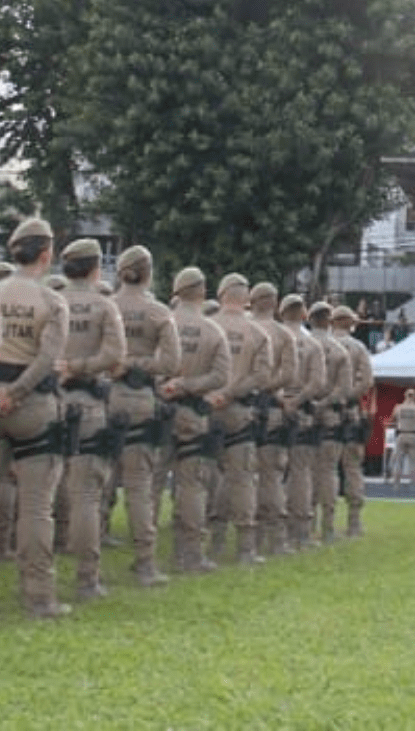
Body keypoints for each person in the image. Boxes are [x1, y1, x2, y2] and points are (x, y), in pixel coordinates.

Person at [0, 218, 70, 620]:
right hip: (34, 408)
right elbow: (47, 360)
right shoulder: (52, 302)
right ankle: (39, 597)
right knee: (38, 508)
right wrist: (17, 392)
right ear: (46, 254)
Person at [54, 238, 126, 600]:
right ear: (97, 268)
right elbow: (116, 356)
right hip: (88, 402)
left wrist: (61, 368)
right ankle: (86, 579)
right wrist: (81, 366)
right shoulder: (103, 306)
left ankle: (35, 579)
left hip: (49, 399)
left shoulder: (52, 299)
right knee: (85, 494)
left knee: (38, 496)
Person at [109, 246, 178, 584]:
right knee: (138, 485)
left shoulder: (105, 305)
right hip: (138, 399)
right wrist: (140, 363)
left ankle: (86, 570)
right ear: (149, 272)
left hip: (103, 398)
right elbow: (171, 363)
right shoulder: (157, 312)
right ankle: (145, 563)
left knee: (92, 486)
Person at [158, 267, 231, 573]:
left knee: (148, 484)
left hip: (157, 411)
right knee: (192, 486)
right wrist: (187, 386)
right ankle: (189, 555)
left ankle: (146, 556)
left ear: (176, 291)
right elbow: (221, 376)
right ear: (203, 293)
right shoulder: (213, 331)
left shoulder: (162, 322)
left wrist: (165, 385)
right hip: (192, 414)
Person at [205, 273, 271, 564]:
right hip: (240, 413)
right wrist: (231, 393)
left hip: (203, 410)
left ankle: (202, 544)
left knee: (198, 478)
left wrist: (214, 394)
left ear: (221, 295)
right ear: (246, 299)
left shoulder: (207, 327)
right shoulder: (258, 334)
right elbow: (262, 376)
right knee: (241, 477)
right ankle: (245, 548)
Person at [248, 283, 297, 555]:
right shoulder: (283, 334)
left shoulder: (240, 328)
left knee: (239, 474)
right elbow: (289, 375)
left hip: (242, 405)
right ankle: (275, 539)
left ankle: (231, 538)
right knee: (272, 475)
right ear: (275, 303)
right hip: (273, 407)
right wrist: (268, 386)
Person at [280, 294, 324, 549]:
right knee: (301, 473)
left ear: (282, 312)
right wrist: (298, 400)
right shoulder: (312, 345)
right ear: (303, 314)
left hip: (274, 411)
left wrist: (282, 400)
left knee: (270, 473)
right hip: (303, 413)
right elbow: (317, 383)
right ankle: (301, 532)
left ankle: (272, 532)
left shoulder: (273, 337)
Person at [308, 302, 350, 542]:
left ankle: (304, 525)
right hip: (331, 416)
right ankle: (328, 526)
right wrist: (325, 403)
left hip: (302, 414)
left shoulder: (299, 343)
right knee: (329, 471)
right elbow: (344, 389)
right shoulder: (340, 351)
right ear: (329, 320)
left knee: (301, 471)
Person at [332, 306, 373, 535]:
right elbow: (366, 381)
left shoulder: (321, 344)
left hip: (323, 411)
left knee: (319, 469)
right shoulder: (358, 348)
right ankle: (354, 522)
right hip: (349, 412)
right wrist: (348, 396)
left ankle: (318, 524)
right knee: (352, 467)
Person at [390, 389, 415, 489]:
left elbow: (393, 417)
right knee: (413, 461)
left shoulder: (398, 407)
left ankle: (396, 483)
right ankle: (413, 483)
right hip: (413, 435)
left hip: (401, 435)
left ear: (405, 396)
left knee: (398, 461)